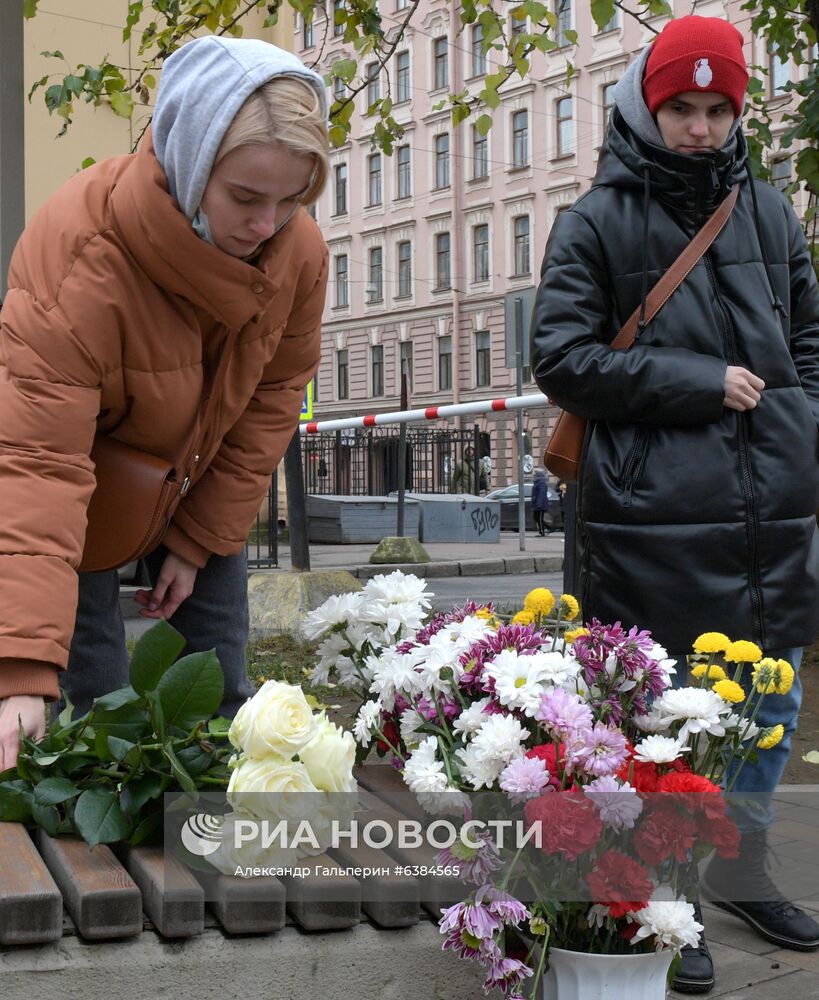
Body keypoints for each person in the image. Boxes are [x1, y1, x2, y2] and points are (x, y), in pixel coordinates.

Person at [530, 15, 819, 995]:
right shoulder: (596, 221)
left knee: (769, 705)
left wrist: (803, 433)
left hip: (774, 517)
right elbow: (562, 358)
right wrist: (699, 381)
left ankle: (739, 869)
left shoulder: (772, 216)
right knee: (664, 720)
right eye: (680, 107)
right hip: (646, 526)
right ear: (646, 106)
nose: (699, 126)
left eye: (716, 108)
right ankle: (664, 897)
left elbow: (809, 345)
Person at [0, 36, 330, 772]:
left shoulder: (297, 253)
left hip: (198, 474)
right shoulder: (78, 259)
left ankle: (214, 866)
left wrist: (196, 538)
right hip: (73, 486)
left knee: (222, 715)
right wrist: (20, 671)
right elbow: (38, 466)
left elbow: (270, 400)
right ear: (188, 159)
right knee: (93, 718)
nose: (268, 225)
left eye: (292, 199)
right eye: (245, 197)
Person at [531, 468, 550, 536]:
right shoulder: (537, 482)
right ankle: (548, 528)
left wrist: (539, 503)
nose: (534, 475)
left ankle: (542, 532)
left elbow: (542, 494)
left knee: (539, 519)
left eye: (535, 474)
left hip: (540, 504)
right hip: (537, 504)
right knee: (536, 517)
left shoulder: (541, 482)